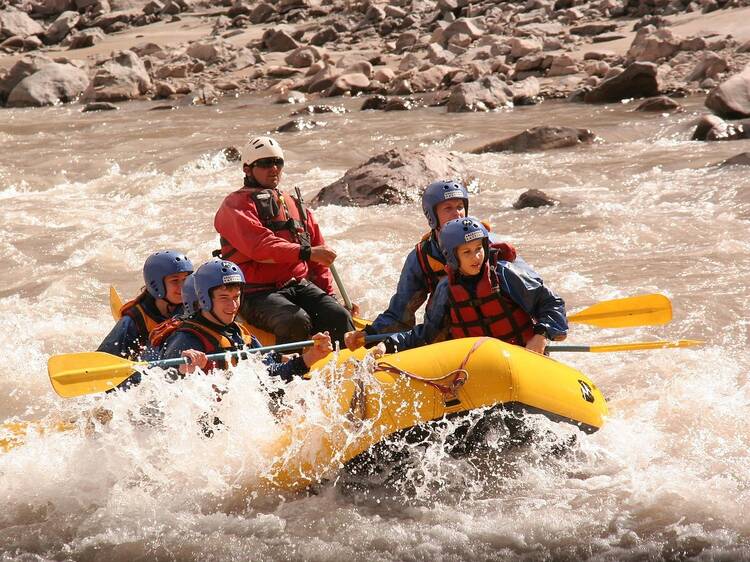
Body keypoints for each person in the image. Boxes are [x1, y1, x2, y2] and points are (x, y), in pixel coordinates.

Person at [345, 217, 567, 355]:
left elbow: (551, 304)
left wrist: (541, 335)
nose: (476, 257)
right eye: (466, 252)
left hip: (522, 357)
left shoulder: (505, 275)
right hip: (477, 368)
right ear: (452, 257)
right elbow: (426, 335)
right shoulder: (446, 290)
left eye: (479, 249)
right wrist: (388, 345)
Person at [213, 136, 354, 347]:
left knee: (339, 316)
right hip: (254, 292)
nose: (274, 169)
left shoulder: (294, 204)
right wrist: (306, 253)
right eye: (265, 163)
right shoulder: (235, 205)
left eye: (278, 162)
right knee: (294, 320)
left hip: (296, 285)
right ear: (247, 169)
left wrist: (330, 295)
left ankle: (350, 366)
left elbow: (319, 258)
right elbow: (260, 247)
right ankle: (290, 371)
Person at [362, 179, 514, 335]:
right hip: (453, 332)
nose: (457, 214)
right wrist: (370, 334)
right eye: (448, 208)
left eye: (460, 207)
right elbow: (401, 313)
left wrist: (540, 333)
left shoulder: (489, 244)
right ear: (432, 216)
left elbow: (532, 293)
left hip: (502, 332)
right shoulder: (422, 257)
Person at [155, 258, 332, 381]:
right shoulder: (186, 340)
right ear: (204, 299)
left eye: (236, 297)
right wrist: (183, 371)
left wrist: (311, 356)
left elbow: (270, 377)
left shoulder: (240, 333)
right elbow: (163, 390)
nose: (233, 306)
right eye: (224, 298)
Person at [98, 250, 193, 361]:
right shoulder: (134, 320)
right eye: (175, 280)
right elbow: (104, 358)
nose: (183, 286)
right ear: (156, 285)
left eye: (185, 280)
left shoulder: (193, 308)